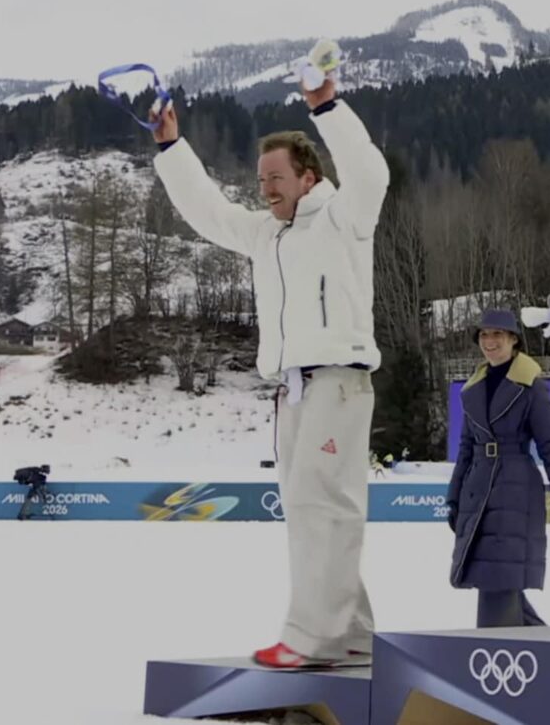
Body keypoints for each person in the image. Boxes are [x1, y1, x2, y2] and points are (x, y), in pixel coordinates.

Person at [150, 70, 388, 669]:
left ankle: (312, 637)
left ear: (308, 176)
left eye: (276, 178)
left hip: (338, 379)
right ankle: (352, 630)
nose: (266, 191)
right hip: (293, 389)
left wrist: (328, 107)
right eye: (261, 181)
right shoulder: (266, 234)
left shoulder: (345, 216)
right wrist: (171, 148)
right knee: (310, 506)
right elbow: (206, 210)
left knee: (320, 505)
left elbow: (371, 172)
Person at [446, 309, 550, 627]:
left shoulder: (531, 384)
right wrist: (454, 497)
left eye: (497, 335)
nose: (489, 342)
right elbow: (466, 448)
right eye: (484, 335)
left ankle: (494, 659)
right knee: (495, 580)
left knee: (500, 578)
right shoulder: (473, 387)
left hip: (515, 490)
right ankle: (549, 657)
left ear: (513, 340)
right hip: (479, 490)